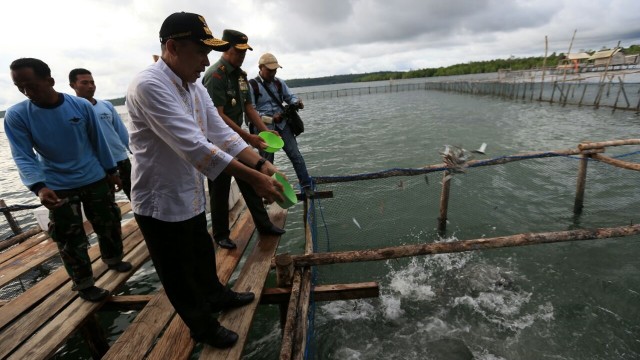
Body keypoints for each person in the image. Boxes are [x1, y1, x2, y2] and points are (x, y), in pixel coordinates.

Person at [126, 12, 285, 348]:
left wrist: (261, 163)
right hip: (159, 198)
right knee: (178, 272)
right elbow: (195, 146)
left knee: (200, 252)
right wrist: (254, 178)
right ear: (172, 47)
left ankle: (215, 296)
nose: (206, 61)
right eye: (200, 52)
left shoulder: (194, 87)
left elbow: (221, 133)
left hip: (189, 192)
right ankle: (201, 327)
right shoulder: (149, 85)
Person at [4, 58, 132, 302]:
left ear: (50, 81)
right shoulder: (17, 115)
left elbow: (98, 141)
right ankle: (84, 284)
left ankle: (113, 258)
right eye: (19, 86)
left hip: (94, 178)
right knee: (69, 238)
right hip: (58, 186)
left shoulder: (80, 106)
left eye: (31, 85)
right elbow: (23, 156)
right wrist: (39, 187)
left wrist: (111, 170)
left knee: (108, 222)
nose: (26, 91)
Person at [202, 29, 285, 250]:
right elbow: (217, 116)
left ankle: (264, 224)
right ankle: (220, 235)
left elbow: (249, 107)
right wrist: (248, 136)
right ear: (226, 49)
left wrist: (263, 130)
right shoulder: (215, 76)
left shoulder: (240, 76)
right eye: (238, 51)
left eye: (244, 52)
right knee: (218, 188)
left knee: (251, 179)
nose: (242, 56)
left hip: (237, 140)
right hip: (217, 141)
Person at [249, 53, 313, 194]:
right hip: (265, 129)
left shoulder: (279, 82)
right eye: (270, 70)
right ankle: (269, 190)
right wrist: (271, 119)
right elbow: (251, 111)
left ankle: (306, 186)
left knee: (296, 155)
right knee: (266, 162)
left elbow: (289, 97)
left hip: (283, 126)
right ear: (260, 68)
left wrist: (297, 102)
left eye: (275, 70)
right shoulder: (252, 85)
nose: (273, 73)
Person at [69, 68, 132, 200]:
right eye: (84, 83)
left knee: (137, 195)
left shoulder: (106, 105)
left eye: (92, 82)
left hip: (120, 158)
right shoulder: (71, 110)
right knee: (107, 201)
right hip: (97, 164)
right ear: (73, 85)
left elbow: (121, 131)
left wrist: (133, 150)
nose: (90, 86)